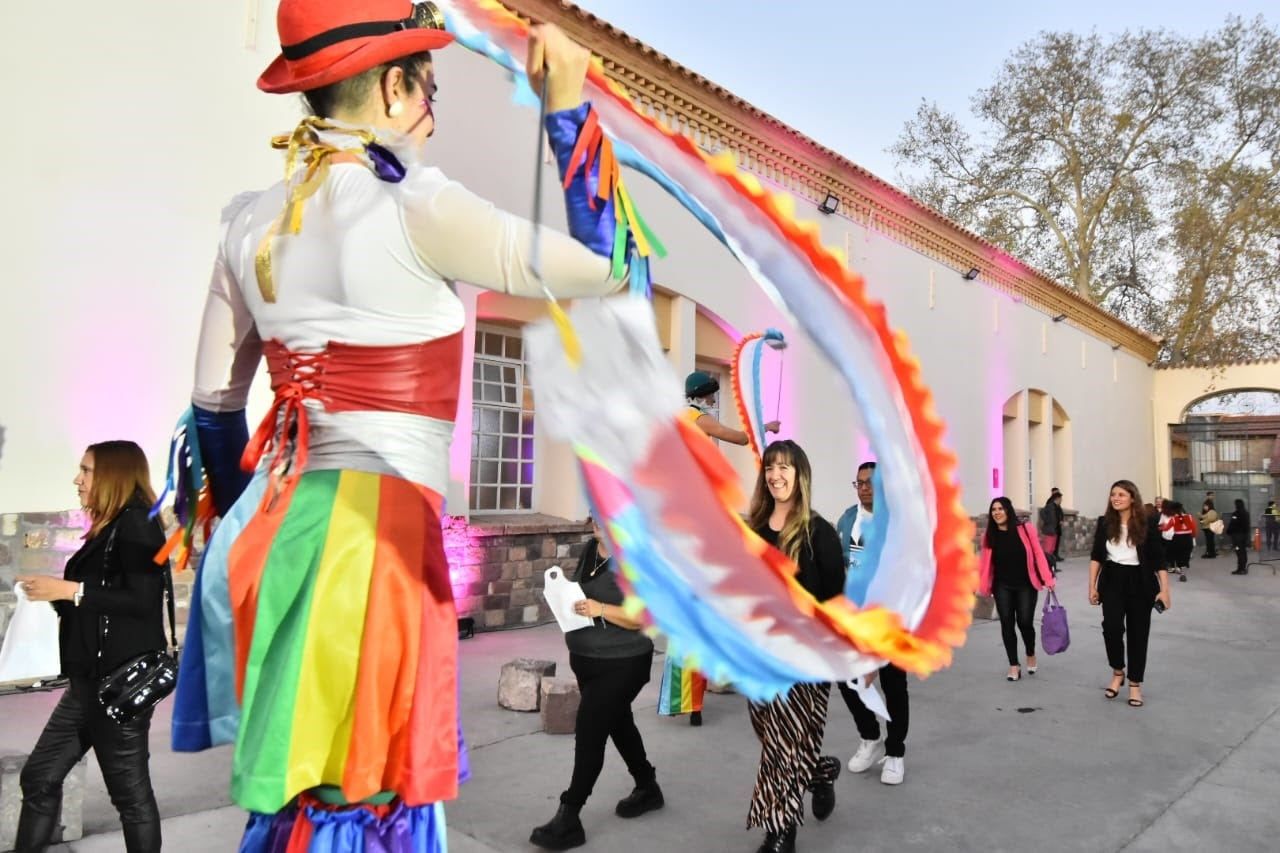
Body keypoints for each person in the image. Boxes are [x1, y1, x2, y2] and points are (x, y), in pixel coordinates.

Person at [166, 2, 637, 846]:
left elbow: (213, 411)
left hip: (280, 538)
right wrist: (568, 109)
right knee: (369, 800)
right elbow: (609, 265)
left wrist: (263, 528)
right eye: (428, 86)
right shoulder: (419, 204)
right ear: (392, 87)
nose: (431, 109)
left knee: (301, 795)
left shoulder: (245, 220)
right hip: (378, 546)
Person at [14, 441, 167, 852]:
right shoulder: (112, 525)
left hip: (118, 684)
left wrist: (70, 589)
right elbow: (104, 597)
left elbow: (141, 599)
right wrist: (56, 596)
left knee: (131, 799)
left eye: (86, 471)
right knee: (39, 777)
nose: (77, 480)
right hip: (87, 684)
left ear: (113, 476)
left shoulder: (138, 524)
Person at [658, 371, 782, 726]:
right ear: (703, 395)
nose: (715, 400)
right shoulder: (695, 417)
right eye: (713, 394)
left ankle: (698, 692)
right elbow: (739, 439)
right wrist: (765, 427)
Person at [530, 521, 661, 850]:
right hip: (588, 661)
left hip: (624, 662)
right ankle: (647, 786)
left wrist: (600, 609)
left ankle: (569, 815)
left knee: (590, 729)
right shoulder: (591, 550)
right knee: (619, 722)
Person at [746, 440, 844, 853]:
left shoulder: (818, 531)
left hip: (805, 655)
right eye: (770, 467)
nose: (776, 475)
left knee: (783, 746)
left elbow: (835, 598)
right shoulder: (752, 530)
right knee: (773, 738)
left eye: (785, 467)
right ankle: (819, 773)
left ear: (800, 475)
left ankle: (781, 831)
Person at [835, 461, 909, 786]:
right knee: (847, 678)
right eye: (859, 483)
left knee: (893, 686)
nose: (864, 488)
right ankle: (870, 736)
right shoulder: (847, 519)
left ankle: (895, 753)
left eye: (870, 483)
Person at [1087, 480, 1171, 708]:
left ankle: (1135, 684)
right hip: (1112, 580)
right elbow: (1096, 556)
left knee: (1138, 634)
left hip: (1140, 582)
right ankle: (1117, 672)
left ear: (1132, 497)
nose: (1116, 498)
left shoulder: (1146, 523)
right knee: (1112, 628)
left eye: (1121, 494)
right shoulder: (1105, 523)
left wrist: (1164, 590)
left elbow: (1158, 559)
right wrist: (1092, 586)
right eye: (1113, 494)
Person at [978, 497, 1056, 681]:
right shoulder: (989, 535)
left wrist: (1047, 578)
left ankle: (1030, 653)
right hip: (1002, 585)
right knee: (1006, 623)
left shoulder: (1025, 529)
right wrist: (982, 584)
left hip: (1026, 584)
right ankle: (1014, 665)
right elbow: (985, 563)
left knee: (1025, 622)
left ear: (1008, 511)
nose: (997, 512)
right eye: (994, 509)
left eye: (1001, 509)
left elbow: (1038, 553)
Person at [1159, 501, 1197, 582]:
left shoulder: (1173, 519)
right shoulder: (1189, 517)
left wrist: (1160, 527)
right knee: (1185, 555)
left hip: (1177, 539)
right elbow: (1193, 529)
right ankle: (1183, 573)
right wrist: (1192, 537)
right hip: (1187, 539)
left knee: (1178, 555)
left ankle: (1177, 568)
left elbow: (1166, 528)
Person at [1037, 489, 1065, 571]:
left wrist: (1060, 521)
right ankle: (1045, 568)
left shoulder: (1057, 507)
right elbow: (1042, 512)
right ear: (1057, 498)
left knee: (1052, 550)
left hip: (1055, 531)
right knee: (1048, 551)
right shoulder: (1050, 506)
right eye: (1060, 499)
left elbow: (1059, 515)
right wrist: (1048, 522)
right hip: (1049, 531)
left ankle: (1052, 567)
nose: (1061, 500)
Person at [1227, 499, 1252, 575]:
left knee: (1239, 552)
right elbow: (1247, 526)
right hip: (1244, 536)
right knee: (1243, 551)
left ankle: (1241, 569)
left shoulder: (1236, 513)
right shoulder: (1246, 513)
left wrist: (1228, 531)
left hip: (1237, 537)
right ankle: (1243, 568)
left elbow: (1232, 524)